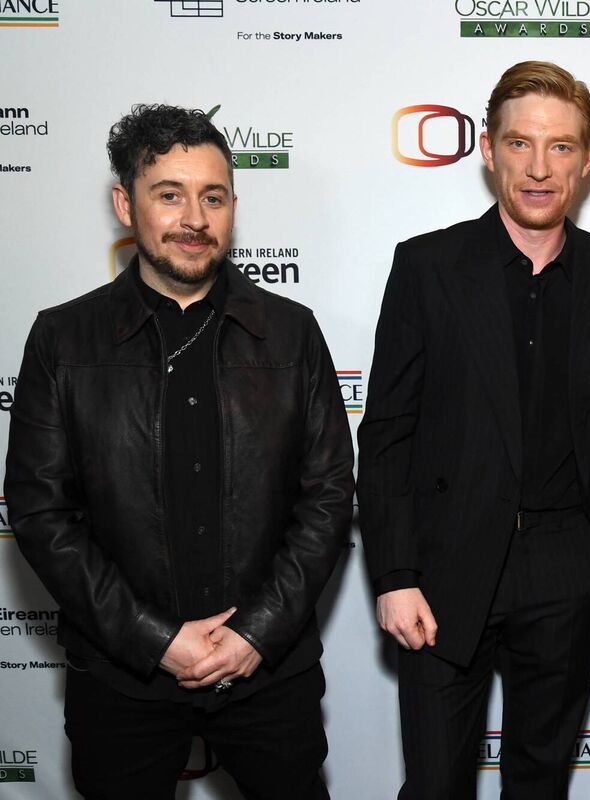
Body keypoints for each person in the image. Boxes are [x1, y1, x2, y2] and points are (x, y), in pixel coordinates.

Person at [4, 104, 354, 798]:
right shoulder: (63, 341)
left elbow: (327, 499)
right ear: (125, 205)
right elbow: (42, 515)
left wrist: (254, 634)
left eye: (213, 197)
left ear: (233, 210)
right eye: (170, 195)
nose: (194, 218)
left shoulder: (291, 335)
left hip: (268, 673)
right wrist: (155, 639)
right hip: (121, 680)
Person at [357, 61, 590, 799]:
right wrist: (394, 576)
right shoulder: (428, 267)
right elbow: (386, 432)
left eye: (560, 146)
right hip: (443, 567)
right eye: (520, 143)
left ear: (586, 159)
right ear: (488, 150)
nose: (539, 168)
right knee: (434, 784)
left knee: (541, 783)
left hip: (564, 564)